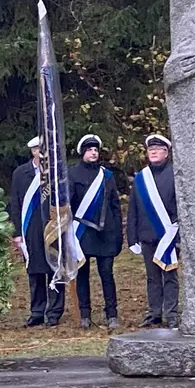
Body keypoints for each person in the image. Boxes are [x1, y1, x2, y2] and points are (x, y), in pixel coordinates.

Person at [11, 137, 66, 327]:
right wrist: (17, 232)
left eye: (43, 150)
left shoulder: (56, 173)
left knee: (54, 267)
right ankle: (37, 311)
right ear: (32, 151)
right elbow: (16, 204)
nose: (40, 153)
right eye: (37, 149)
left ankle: (54, 312)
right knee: (34, 271)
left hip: (52, 226)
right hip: (30, 228)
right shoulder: (20, 173)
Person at [126, 134, 179, 329]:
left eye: (158, 149)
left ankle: (171, 313)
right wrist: (132, 237)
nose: (154, 152)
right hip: (147, 235)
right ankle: (154, 312)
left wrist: (178, 234)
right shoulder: (141, 178)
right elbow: (133, 210)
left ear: (166, 152)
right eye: (150, 150)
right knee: (152, 276)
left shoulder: (175, 174)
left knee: (170, 275)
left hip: (169, 235)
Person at [70, 134, 122, 330]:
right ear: (83, 152)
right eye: (89, 150)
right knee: (82, 274)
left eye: (95, 150)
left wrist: (118, 234)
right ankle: (85, 314)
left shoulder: (106, 176)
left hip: (105, 232)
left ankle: (112, 314)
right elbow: (69, 205)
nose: (93, 152)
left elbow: (115, 205)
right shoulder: (73, 174)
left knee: (106, 274)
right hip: (82, 232)